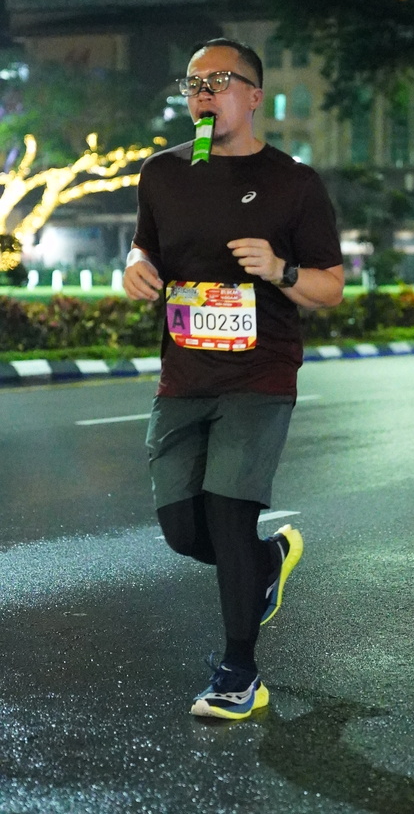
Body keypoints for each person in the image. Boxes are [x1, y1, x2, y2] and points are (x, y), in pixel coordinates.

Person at [123, 37, 344, 719]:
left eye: (218, 82)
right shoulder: (163, 174)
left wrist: (279, 269)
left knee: (229, 510)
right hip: (183, 373)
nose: (203, 94)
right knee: (184, 530)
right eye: (193, 84)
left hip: (260, 371)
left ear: (254, 95)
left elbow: (330, 286)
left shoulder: (294, 183)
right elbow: (145, 244)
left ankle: (238, 672)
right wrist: (133, 266)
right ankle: (266, 562)